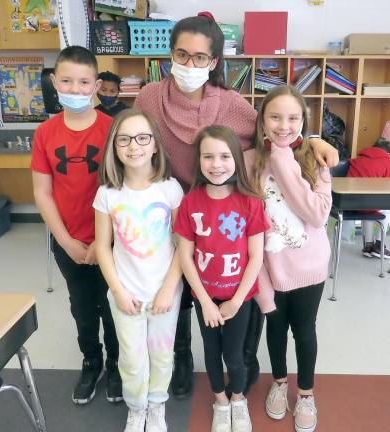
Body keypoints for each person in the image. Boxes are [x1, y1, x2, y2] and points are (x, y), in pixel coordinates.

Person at [134, 13, 339, 398]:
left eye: (199, 57)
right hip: (176, 208)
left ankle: (244, 360)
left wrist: (314, 139)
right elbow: (136, 138)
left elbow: (275, 129)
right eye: (181, 54)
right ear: (169, 56)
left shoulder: (229, 103)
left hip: (227, 208)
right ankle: (181, 359)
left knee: (236, 283)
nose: (189, 64)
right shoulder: (149, 96)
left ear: (213, 62)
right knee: (179, 288)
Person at [31, 45, 122, 405]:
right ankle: (92, 360)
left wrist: (103, 244)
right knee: (82, 306)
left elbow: (124, 190)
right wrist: (66, 241)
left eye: (84, 82)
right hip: (68, 240)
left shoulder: (113, 130)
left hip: (112, 242)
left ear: (97, 85)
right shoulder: (45, 134)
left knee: (114, 306)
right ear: (54, 83)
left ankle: (117, 363)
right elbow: (42, 193)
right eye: (66, 81)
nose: (75, 89)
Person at [248, 85, 332, 432]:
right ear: (262, 121)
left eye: (293, 118)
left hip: (309, 268)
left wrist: (283, 159)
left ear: (304, 121)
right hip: (269, 268)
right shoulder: (251, 161)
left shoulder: (316, 160)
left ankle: (307, 393)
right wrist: (260, 280)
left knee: (304, 330)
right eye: (275, 117)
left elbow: (317, 216)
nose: (284, 125)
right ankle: (280, 382)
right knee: (276, 329)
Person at [94, 108, 183, 432]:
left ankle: (157, 404)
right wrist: (118, 291)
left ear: (155, 145)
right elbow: (103, 246)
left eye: (143, 138)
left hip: (164, 293)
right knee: (131, 359)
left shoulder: (171, 189)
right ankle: (137, 407)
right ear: (114, 147)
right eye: (125, 140)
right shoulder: (107, 194)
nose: (134, 146)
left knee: (161, 355)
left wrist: (168, 289)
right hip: (125, 293)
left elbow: (182, 245)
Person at [174, 125, 269, 432]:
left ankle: (238, 399)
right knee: (212, 353)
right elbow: (185, 256)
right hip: (206, 298)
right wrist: (205, 303)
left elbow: (256, 257)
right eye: (208, 156)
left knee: (235, 355)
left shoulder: (250, 201)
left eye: (225, 156)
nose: (216, 164)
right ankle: (221, 401)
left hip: (239, 297)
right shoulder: (190, 202)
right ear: (199, 161)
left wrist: (237, 300)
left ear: (237, 160)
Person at [347, 137, 390, 258]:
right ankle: (380, 246)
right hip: (368, 204)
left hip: (349, 203)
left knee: (369, 207)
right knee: (386, 208)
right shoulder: (387, 162)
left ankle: (368, 246)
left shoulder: (358, 159)